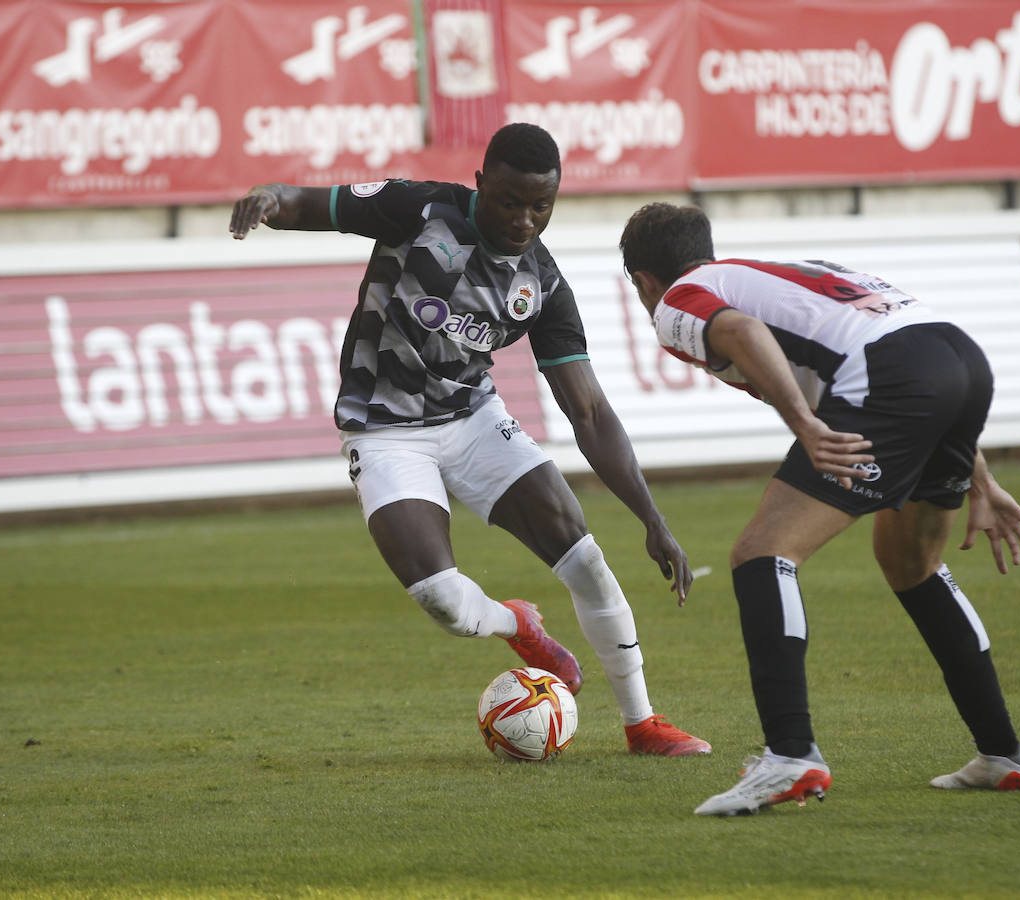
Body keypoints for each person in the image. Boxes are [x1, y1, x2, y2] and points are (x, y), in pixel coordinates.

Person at [228, 124, 709, 756]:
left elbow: (588, 412)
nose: (525, 219)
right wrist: (270, 198)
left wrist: (651, 517)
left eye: (542, 206)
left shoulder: (543, 286)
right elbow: (312, 203)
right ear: (481, 183)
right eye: (511, 201)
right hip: (383, 429)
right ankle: (519, 623)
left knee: (583, 553)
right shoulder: (421, 209)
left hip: (473, 420)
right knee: (443, 601)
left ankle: (643, 724)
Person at [618, 202, 1020, 813]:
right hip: (959, 360)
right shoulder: (767, 272)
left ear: (643, 282)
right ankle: (1004, 754)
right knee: (909, 563)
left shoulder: (679, 299)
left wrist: (803, 425)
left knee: (761, 552)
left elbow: (742, 333)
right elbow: (915, 357)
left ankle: (790, 755)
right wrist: (979, 478)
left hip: (890, 376)